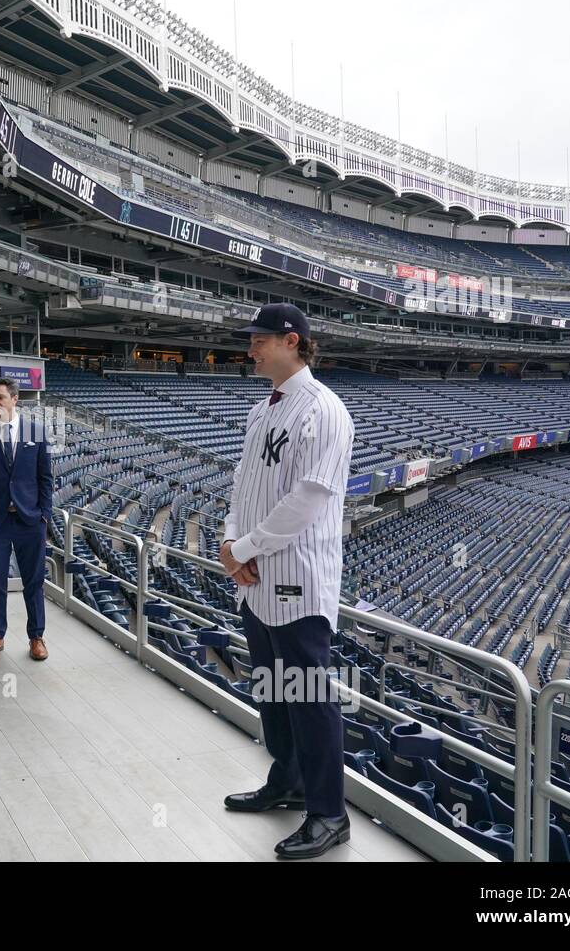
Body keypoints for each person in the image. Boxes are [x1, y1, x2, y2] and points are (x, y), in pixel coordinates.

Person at [218, 302, 355, 860]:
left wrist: (243, 549)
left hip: (298, 578)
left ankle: (329, 814)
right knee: (272, 693)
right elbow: (241, 483)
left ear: (291, 340)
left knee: (309, 698)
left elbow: (309, 500)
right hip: (253, 577)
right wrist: (230, 545)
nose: (251, 348)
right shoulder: (261, 410)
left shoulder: (324, 410)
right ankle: (289, 781)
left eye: (260, 340)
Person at [0, 377, 52, 662]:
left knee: (34, 581)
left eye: (0, 398)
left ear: (15, 399)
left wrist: (45, 515)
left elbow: (45, 479)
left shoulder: (37, 433)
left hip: (30, 521)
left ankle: (36, 637)